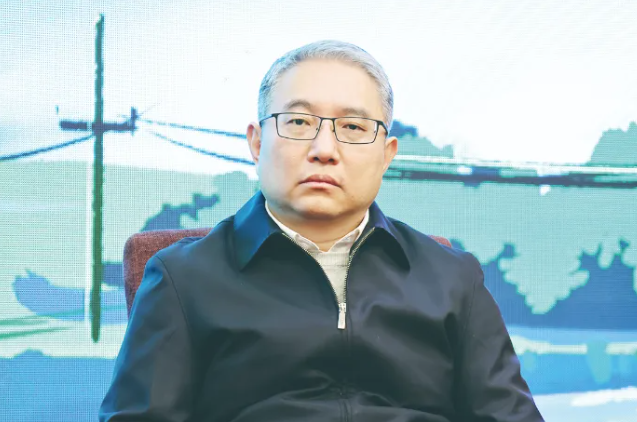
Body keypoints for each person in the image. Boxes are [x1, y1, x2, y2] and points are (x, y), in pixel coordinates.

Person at [100, 40, 544, 421]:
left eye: (353, 127)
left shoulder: (452, 278)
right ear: (257, 142)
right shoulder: (183, 278)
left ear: (386, 154)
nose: (324, 149)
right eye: (298, 122)